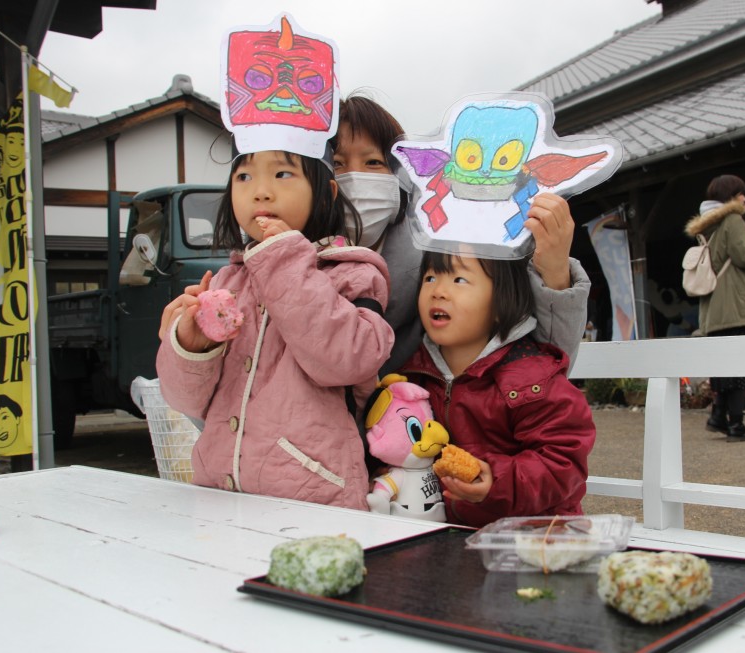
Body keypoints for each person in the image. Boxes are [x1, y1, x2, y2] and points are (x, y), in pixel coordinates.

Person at [156, 148, 395, 510]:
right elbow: (185, 401)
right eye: (244, 177)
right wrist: (191, 346)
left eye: (282, 174)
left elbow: (350, 361)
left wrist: (282, 258)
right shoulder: (227, 280)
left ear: (326, 193)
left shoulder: (353, 275)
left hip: (315, 501)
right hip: (219, 495)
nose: (261, 192)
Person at [332, 94, 591, 376]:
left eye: (373, 163)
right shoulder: (293, 254)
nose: (354, 177)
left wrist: (554, 270)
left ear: (403, 174)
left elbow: (545, 365)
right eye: (337, 163)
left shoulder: (441, 249)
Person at [398, 250, 596, 527]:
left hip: (536, 537)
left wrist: (498, 482)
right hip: (452, 537)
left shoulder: (531, 378)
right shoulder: (413, 375)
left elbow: (563, 460)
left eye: (459, 280)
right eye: (430, 277)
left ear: (501, 301)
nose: (438, 291)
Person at [684, 174, 745, 442]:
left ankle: (717, 417)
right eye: (740, 193)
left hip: (713, 310)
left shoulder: (707, 226)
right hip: (734, 305)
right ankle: (736, 424)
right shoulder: (732, 219)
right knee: (740, 368)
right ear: (730, 197)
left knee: (723, 368)